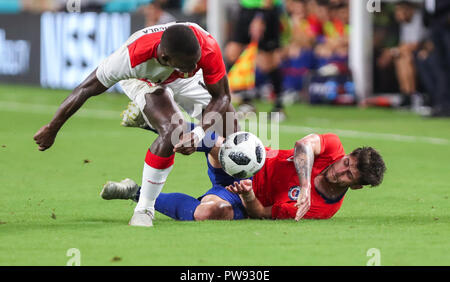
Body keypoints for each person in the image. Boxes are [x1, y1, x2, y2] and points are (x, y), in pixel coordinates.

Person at [33, 22, 238, 227]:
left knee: (231, 128)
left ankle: (237, 186)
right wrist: (52, 128)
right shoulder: (130, 59)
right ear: (165, 58)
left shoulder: (205, 48)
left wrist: (200, 132)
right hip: (144, 79)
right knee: (174, 130)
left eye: (196, 62)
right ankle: (144, 208)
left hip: (181, 76)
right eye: (190, 64)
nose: (195, 67)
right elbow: (84, 89)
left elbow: (221, 98)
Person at [101, 132, 386, 221]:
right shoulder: (332, 146)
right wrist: (304, 185)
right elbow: (303, 146)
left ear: (357, 187)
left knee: (209, 212)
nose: (340, 170)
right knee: (220, 143)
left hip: (243, 197)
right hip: (251, 162)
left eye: (349, 175)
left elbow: (262, 212)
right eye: (345, 162)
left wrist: (247, 193)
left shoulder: (321, 210)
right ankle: (165, 125)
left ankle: (135, 193)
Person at [224, 0, 286, 121]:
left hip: (265, 9)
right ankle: (246, 101)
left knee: (267, 62)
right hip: (246, 8)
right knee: (232, 53)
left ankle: (279, 106)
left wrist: (261, 16)